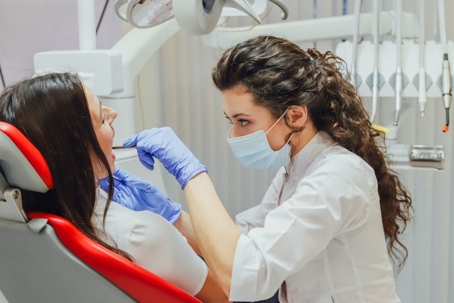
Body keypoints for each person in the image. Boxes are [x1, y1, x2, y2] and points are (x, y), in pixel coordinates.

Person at [121, 36, 413, 302]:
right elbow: (241, 242)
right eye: (230, 121)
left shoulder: (338, 176)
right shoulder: (295, 171)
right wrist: (170, 216)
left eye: (243, 121)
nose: (234, 136)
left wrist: (191, 174)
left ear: (296, 115)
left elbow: (244, 274)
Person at [0, 72, 228, 303]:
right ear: (76, 152)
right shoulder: (140, 233)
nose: (113, 113)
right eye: (101, 119)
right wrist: (176, 211)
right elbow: (228, 294)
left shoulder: (16, 229)